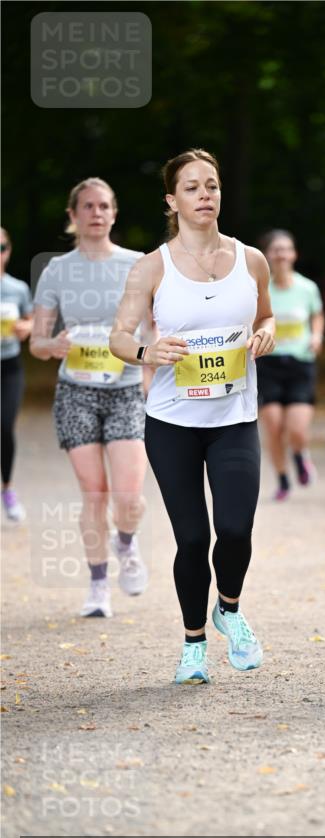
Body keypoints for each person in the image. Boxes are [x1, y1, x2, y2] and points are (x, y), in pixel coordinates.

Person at [109, 149, 275, 685]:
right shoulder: (151, 267)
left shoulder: (251, 260)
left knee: (236, 528)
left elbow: (266, 313)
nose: (205, 195)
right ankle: (193, 646)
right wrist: (145, 355)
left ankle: (227, 607)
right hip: (173, 424)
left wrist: (267, 332)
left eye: (212, 185)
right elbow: (119, 336)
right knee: (193, 538)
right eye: (192, 187)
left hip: (234, 417)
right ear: (172, 200)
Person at [30, 178, 150, 618]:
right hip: (76, 393)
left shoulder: (138, 264)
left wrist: (149, 377)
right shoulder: (58, 269)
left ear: (114, 213)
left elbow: (152, 330)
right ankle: (98, 586)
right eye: (87, 206)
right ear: (73, 216)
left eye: (104, 206)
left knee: (129, 497)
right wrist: (51, 345)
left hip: (125, 392)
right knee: (94, 493)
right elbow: (37, 342)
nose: (96, 213)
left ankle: (127, 543)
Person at [256, 229, 324, 501]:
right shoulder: (261, 290)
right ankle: (283, 479)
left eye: (286, 249)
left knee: (296, 429)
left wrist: (317, 336)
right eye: (276, 249)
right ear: (268, 255)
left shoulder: (307, 288)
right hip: (269, 365)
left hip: (299, 364)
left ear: (294, 254)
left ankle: (300, 454)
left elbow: (317, 315)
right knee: (273, 426)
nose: (281, 254)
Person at [1, 227, 33, 522]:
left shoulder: (18, 288)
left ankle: (7, 490)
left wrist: (27, 327)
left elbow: (32, 320)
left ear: (8, 252)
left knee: (4, 427)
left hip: (8, 366)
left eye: (1, 248)